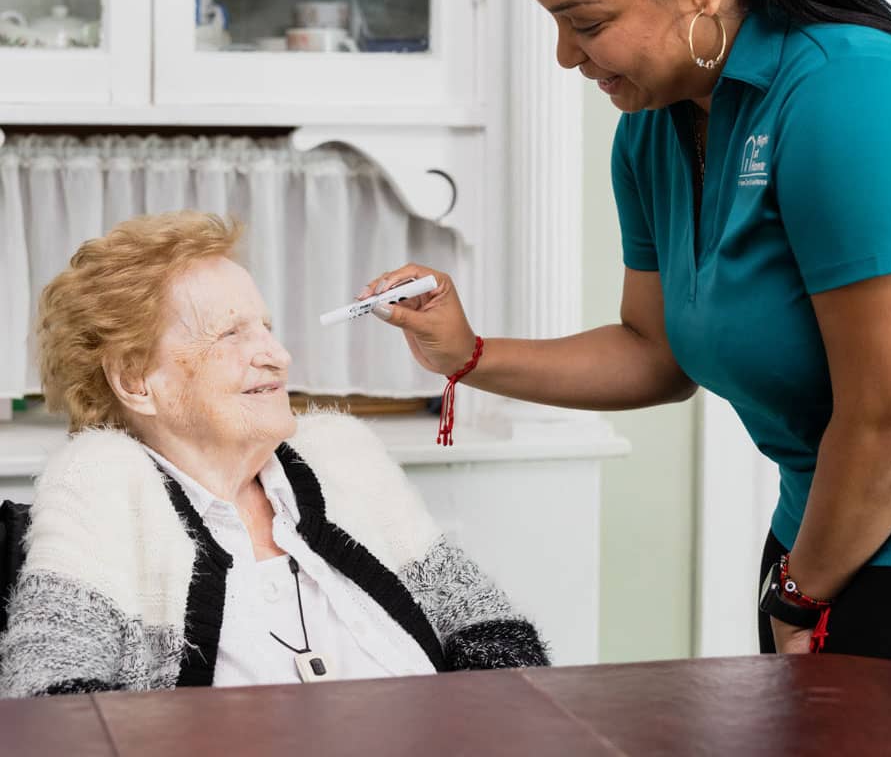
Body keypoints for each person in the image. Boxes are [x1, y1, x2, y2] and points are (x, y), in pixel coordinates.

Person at [360, 0, 891, 692]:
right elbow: (655, 355)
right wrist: (466, 353)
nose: (565, 56)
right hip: (820, 544)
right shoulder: (658, 128)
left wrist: (797, 594)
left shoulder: (851, 95)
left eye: (585, 21)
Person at [0, 211, 548, 698]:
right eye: (231, 334)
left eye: (266, 328)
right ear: (135, 378)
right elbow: (50, 696)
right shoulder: (102, 490)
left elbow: (486, 625)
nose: (277, 356)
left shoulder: (341, 459)